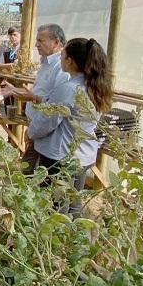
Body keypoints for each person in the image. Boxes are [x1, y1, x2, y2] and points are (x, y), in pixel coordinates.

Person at [25, 38, 113, 218]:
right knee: (73, 204)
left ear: (70, 60)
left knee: (56, 209)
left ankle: (56, 245)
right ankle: (72, 243)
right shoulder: (95, 86)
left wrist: (30, 132)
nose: (60, 59)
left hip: (60, 156)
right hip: (82, 155)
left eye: (62, 55)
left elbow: (47, 120)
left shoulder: (68, 88)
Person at [10, 24, 70, 174]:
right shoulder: (46, 62)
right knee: (27, 174)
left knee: (30, 176)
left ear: (56, 42)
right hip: (37, 128)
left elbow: (56, 107)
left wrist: (34, 98)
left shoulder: (62, 67)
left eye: (41, 40)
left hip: (45, 130)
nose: (36, 44)